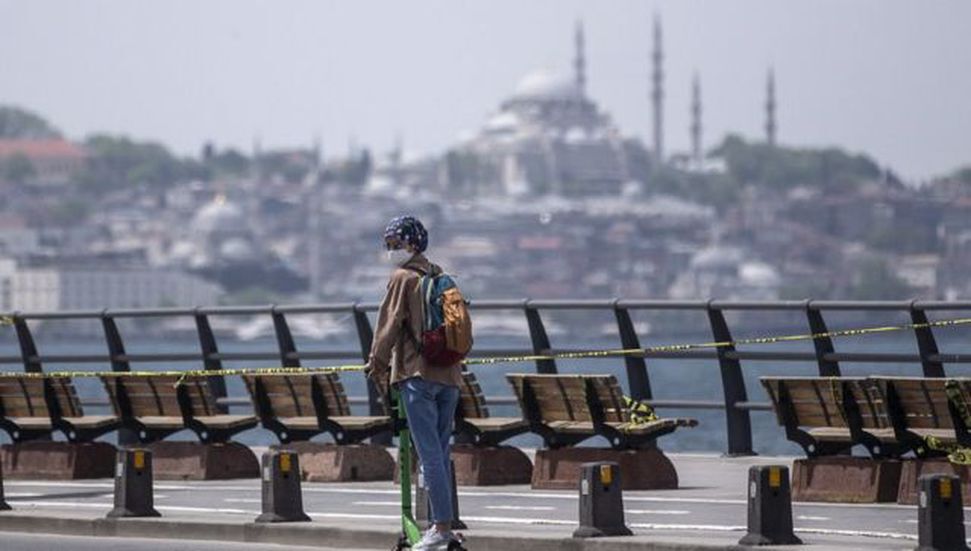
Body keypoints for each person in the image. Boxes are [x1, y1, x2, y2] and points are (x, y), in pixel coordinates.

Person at [364, 215, 463, 550]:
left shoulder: (402, 278)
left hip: (417, 377)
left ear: (411, 245)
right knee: (441, 452)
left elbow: (388, 325)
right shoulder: (440, 275)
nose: (391, 250)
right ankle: (443, 526)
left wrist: (377, 364)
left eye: (395, 244)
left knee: (429, 454)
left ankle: (441, 528)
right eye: (388, 245)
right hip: (450, 377)